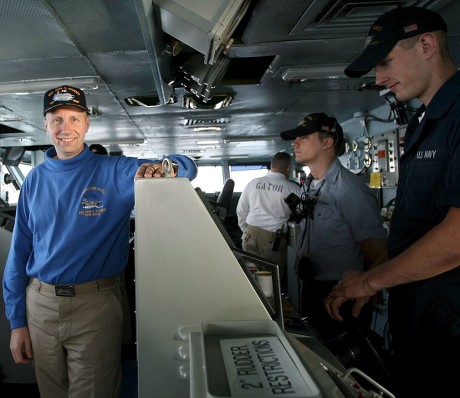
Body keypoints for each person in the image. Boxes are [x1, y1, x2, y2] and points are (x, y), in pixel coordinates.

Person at [2, 85, 197, 398]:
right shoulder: (34, 180)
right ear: (45, 125)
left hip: (93, 306)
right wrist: (16, 321)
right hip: (38, 303)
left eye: (74, 119)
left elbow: (184, 167)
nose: (66, 128)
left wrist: (167, 169)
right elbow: (20, 250)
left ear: (87, 123)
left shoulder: (115, 172)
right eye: (57, 120)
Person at [324, 6, 460, 398]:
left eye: (385, 62)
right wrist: (372, 279)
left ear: (427, 44)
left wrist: (371, 279)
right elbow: (416, 228)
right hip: (421, 322)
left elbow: (456, 238)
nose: (379, 79)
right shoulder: (422, 123)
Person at [280, 112, 387, 341]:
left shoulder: (349, 190)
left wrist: (365, 290)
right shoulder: (310, 184)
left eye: (303, 137)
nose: (294, 142)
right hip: (312, 288)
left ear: (327, 142)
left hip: (341, 295)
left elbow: (377, 254)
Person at [236, 152, 301, 283]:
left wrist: (246, 230)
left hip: (249, 235)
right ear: (288, 168)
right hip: (272, 240)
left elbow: (241, 211)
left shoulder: (253, 183)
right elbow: (302, 212)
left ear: (272, 166)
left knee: (250, 278)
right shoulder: (293, 188)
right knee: (271, 281)